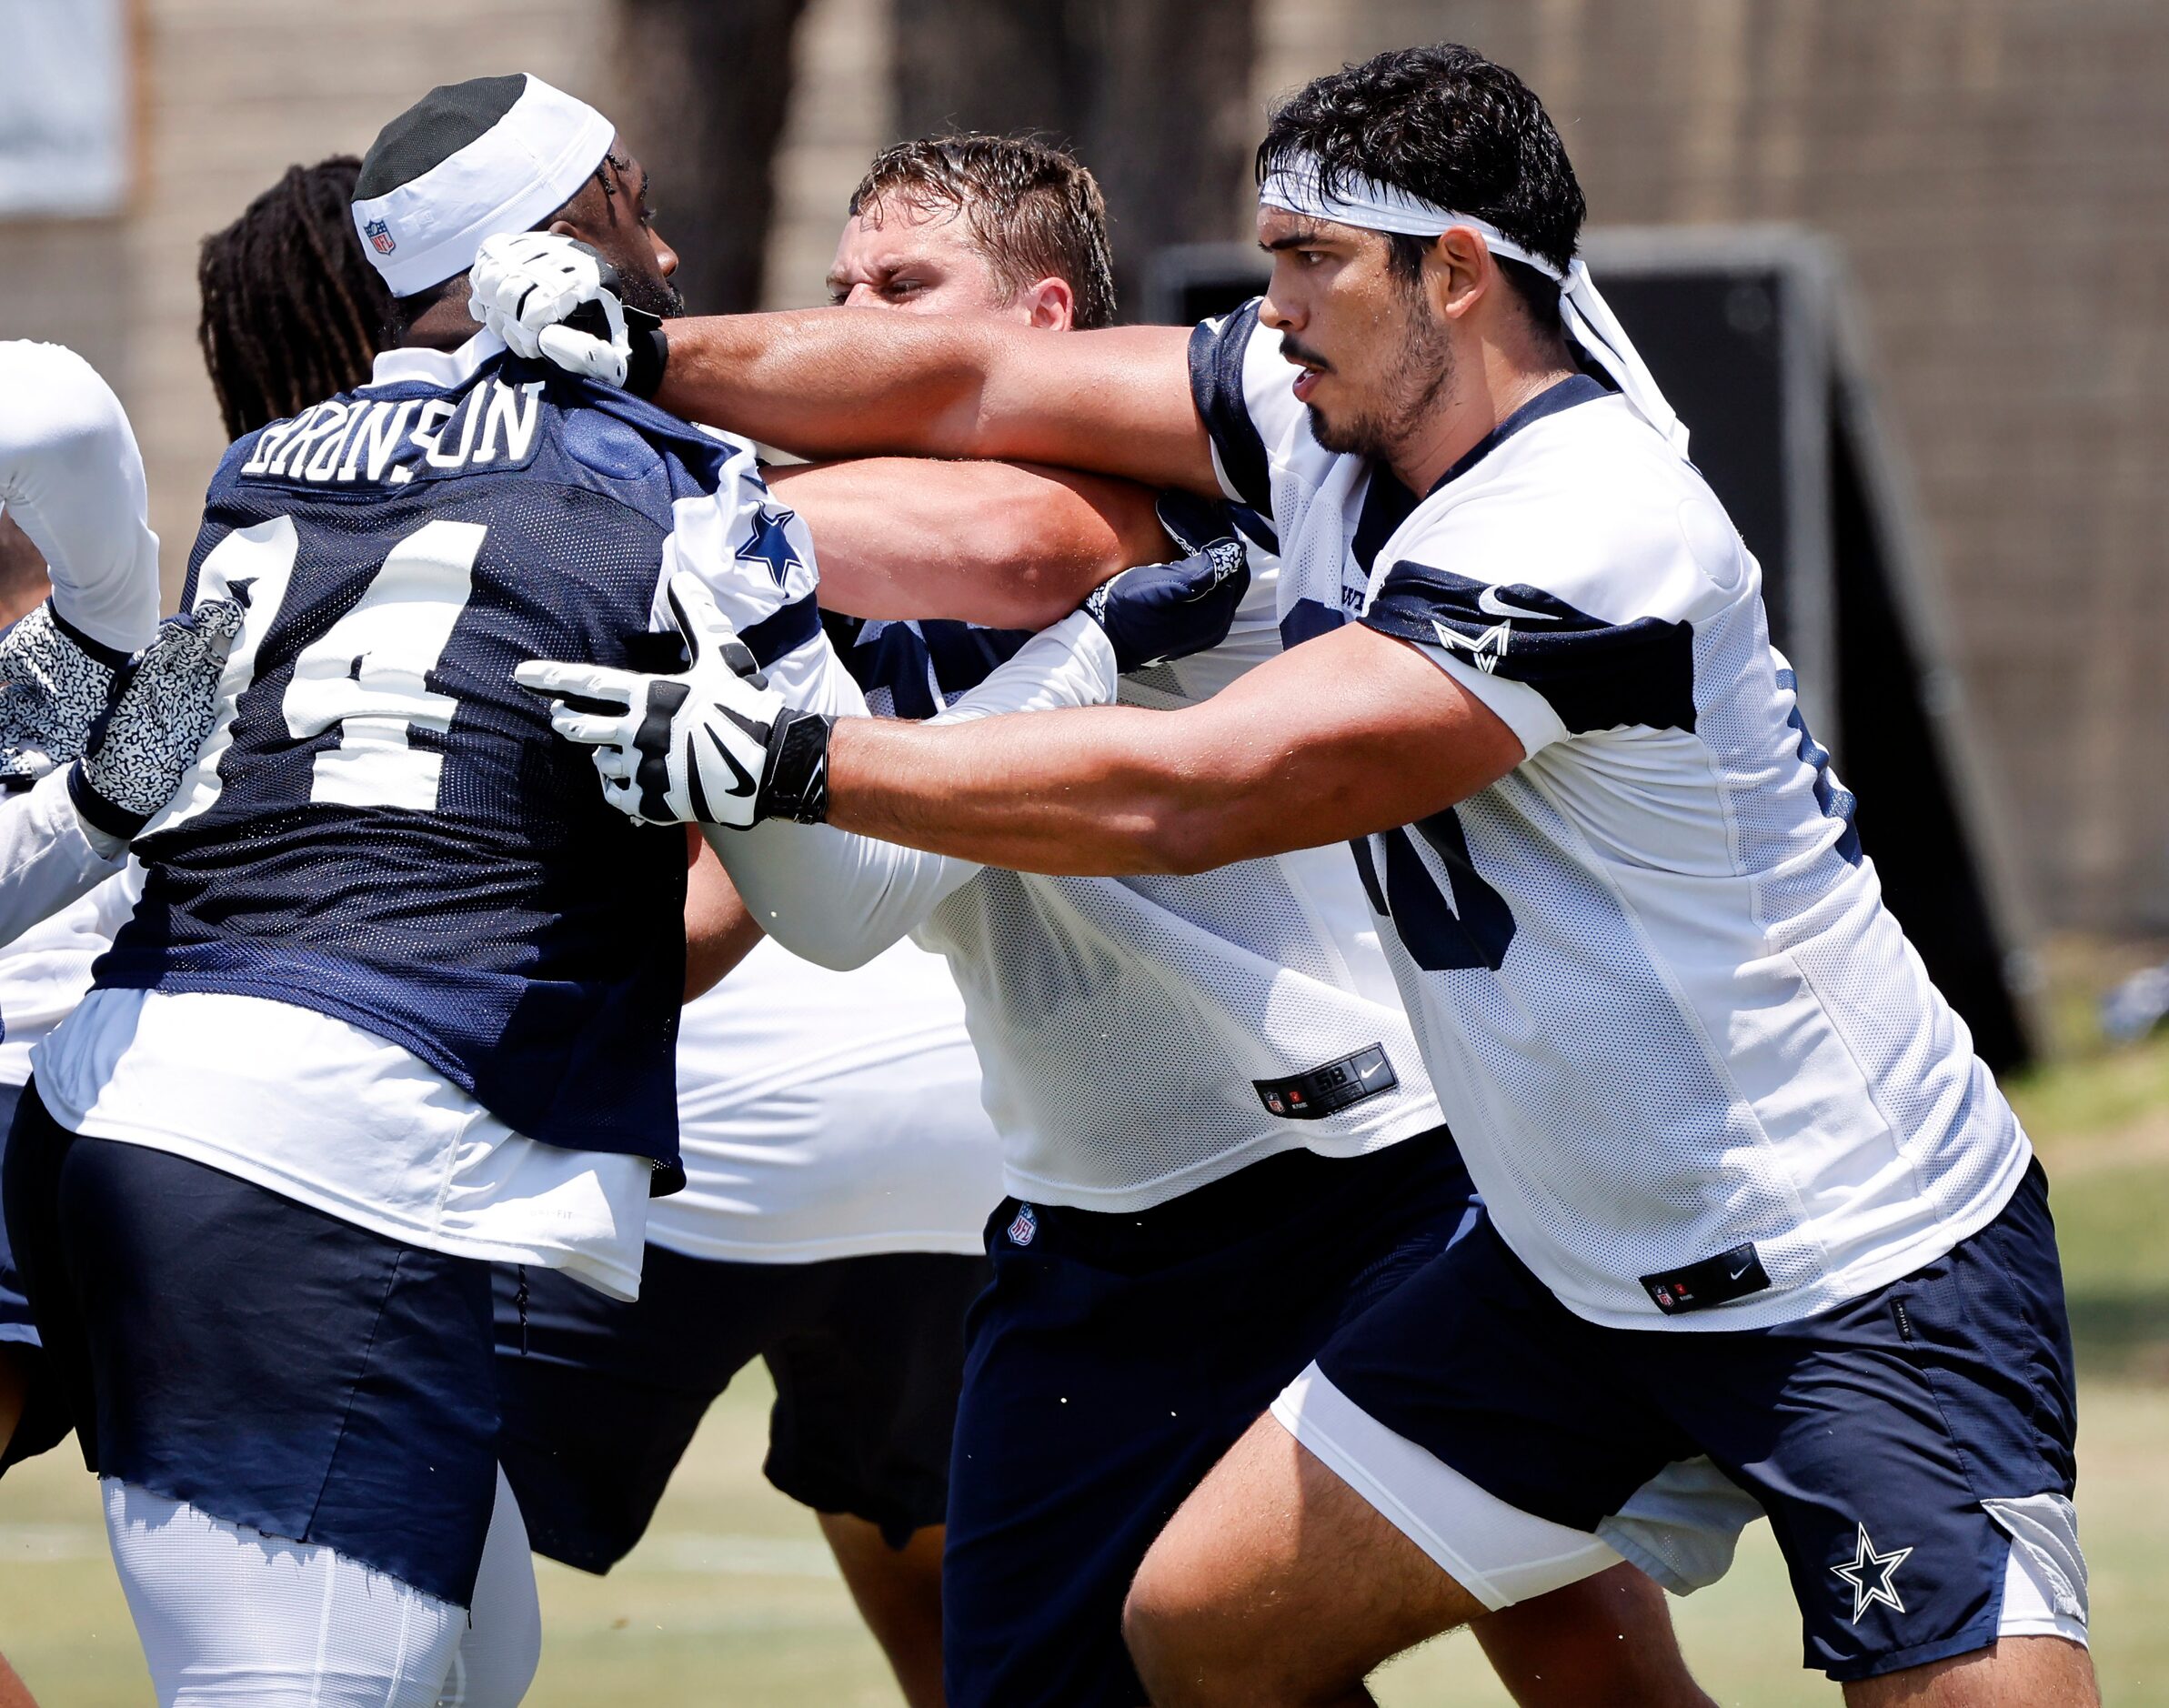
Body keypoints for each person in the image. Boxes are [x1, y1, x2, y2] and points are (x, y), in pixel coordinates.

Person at [502, 44, 2095, 1708]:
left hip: (1844, 1244)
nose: (1266, 308)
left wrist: (799, 761)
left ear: (1456, 274)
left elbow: (1205, 788)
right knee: (1207, 1626)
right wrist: (645, 354)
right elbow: (974, 391)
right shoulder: (1319, 413)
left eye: (1308, 263)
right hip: (1565, 1265)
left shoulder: (1594, 522)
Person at [4, 73, 1211, 1708]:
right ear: (567, 234)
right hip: (339, 1140)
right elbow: (840, 907)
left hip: (165, 1109)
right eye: (633, 203)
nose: (663, 242)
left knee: (470, 1664)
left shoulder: (270, 470)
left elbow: (135, 775)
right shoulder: (673, 483)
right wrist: (1079, 662)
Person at [0, 341, 245, 1708]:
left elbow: (52, 405)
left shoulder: (94, 637)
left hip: (63, 1118)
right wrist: (90, 810)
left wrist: (93, 802)